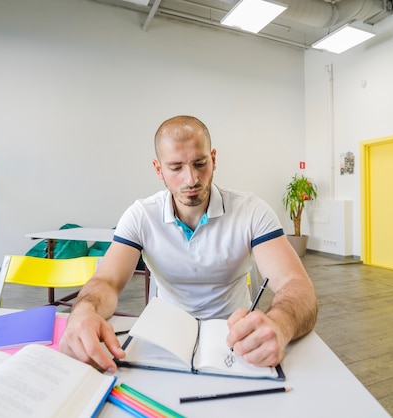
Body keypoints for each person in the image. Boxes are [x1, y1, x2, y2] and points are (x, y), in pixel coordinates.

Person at [59, 115, 318, 373]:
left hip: (233, 340)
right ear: (158, 169)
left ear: (213, 159)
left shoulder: (252, 211)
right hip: (166, 337)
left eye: (200, 163)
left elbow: (295, 285)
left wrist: (280, 324)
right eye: (175, 168)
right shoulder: (140, 215)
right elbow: (106, 281)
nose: (191, 179)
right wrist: (83, 312)